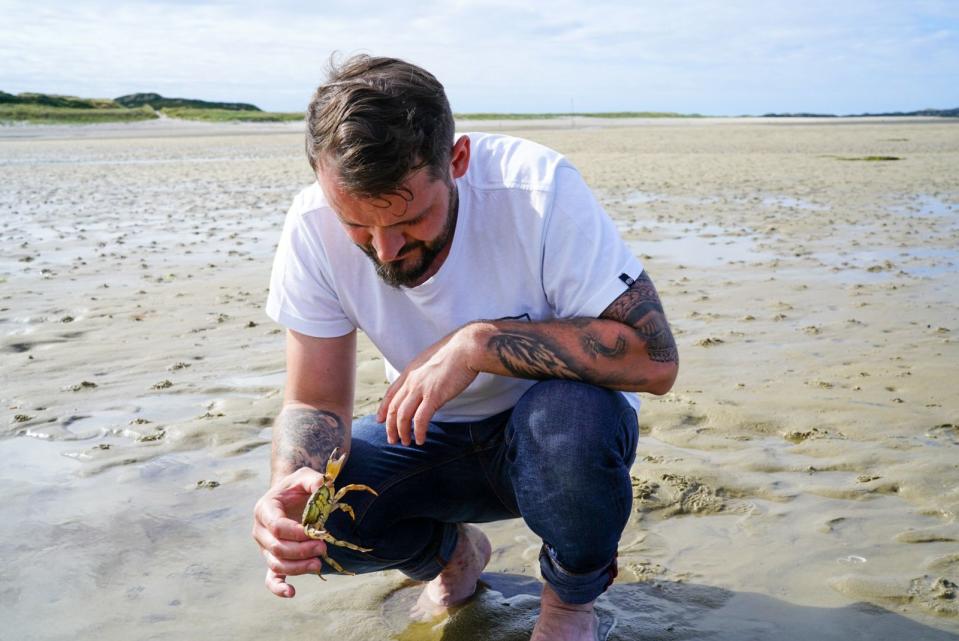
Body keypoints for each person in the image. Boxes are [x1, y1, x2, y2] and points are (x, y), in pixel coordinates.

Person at [251, 54, 678, 641]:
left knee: (566, 422)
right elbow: (316, 401)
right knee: (321, 516)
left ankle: (569, 605)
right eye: (358, 225)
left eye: (411, 219)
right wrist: (287, 485)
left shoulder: (536, 189)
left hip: (558, 435)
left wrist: (478, 343)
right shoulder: (310, 227)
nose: (385, 248)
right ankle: (452, 558)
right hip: (432, 438)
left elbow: (654, 361)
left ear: (456, 160)